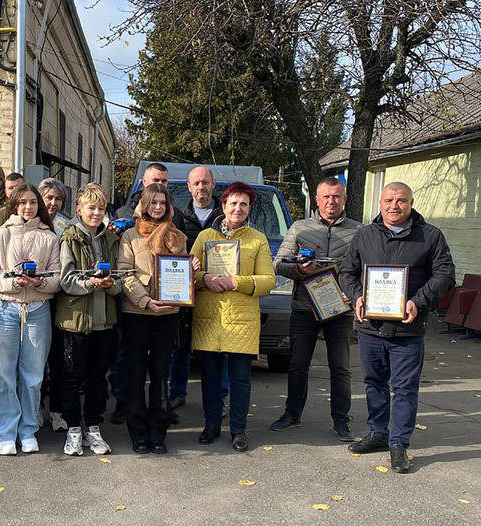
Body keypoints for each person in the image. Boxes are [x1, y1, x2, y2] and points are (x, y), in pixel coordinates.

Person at [339, 182, 454, 473]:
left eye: (401, 200)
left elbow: (445, 274)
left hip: (407, 329)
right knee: (373, 383)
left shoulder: (430, 237)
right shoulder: (364, 235)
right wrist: (357, 296)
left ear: (411, 203)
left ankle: (399, 443)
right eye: (389, 200)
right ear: (380, 202)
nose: (394, 206)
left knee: (404, 388)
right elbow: (346, 271)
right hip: (370, 328)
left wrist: (419, 300)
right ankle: (378, 433)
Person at [270, 177, 361, 440]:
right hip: (304, 306)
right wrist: (299, 269)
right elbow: (279, 264)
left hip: (339, 309)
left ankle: (341, 420)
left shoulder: (359, 231)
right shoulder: (300, 228)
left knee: (340, 367)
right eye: (326, 197)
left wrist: (354, 293)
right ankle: (292, 413)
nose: (331, 201)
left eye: (336, 196)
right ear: (317, 199)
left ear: (344, 199)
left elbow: (366, 269)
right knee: (298, 364)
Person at [191, 182, 276, 452]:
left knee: (240, 379)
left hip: (241, 320)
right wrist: (203, 277)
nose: (237, 208)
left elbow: (268, 281)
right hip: (209, 317)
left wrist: (236, 282)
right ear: (223, 206)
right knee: (210, 378)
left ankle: (238, 429)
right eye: (233, 203)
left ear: (249, 209)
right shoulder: (205, 237)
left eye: (244, 204)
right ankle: (211, 425)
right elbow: (186, 273)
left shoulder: (257, 239)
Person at [0, 183, 61, 455]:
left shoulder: (50, 237)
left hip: (38, 309)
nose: (29, 207)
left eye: (33, 202)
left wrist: (39, 282)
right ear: (14, 204)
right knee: (4, 374)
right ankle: (6, 432)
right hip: (6, 308)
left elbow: (58, 276)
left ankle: (28, 429)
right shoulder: (1, 234)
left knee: (33, 375)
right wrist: (13, 283)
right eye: (23, 202)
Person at [118, 183, 190, 454]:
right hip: (137, 313)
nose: (158, 207)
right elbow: (125, 275)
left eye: (163, 202)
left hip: (168, 314)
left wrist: (191, 270)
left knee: (161, 374)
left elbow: (181, 275)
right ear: (145, 205)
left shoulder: (178, 237)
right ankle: (137, 432)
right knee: (136, 374)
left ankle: (158, 432)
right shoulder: (130, 236)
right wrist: (146, 300)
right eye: (153, 202)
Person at [55, 185, 121, 456]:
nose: (96, 213)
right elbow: (66, 279)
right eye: (90, 208)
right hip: (74, 321)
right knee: (72, 378)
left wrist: (109, 283)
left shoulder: (111, 240)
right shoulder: (69, 237)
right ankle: (73, 428)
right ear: (79, 210)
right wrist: (92, 282)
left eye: (101, 209)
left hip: (104, 321)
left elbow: (119, 281)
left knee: (97, 379)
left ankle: (93, 426)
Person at [167, 166, 224, 411]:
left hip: (217, 290)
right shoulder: (178, 216)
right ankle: (177, 391)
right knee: (180, 344)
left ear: (213, 185)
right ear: (189, 187)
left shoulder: (226, 216)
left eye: (205, 182)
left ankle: (218, 397)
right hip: (183, 290)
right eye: (196, 183)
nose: (201, 187)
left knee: (217, 347)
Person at [37, 177, 70, 431]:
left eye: (58, 199)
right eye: (48, 197)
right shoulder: (31, 225)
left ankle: (58, 409)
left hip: (61, 301)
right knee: (36, 361)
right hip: (37, 300)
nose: (53, 203)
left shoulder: (68, 226)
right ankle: (37, 407)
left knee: (59, 359)